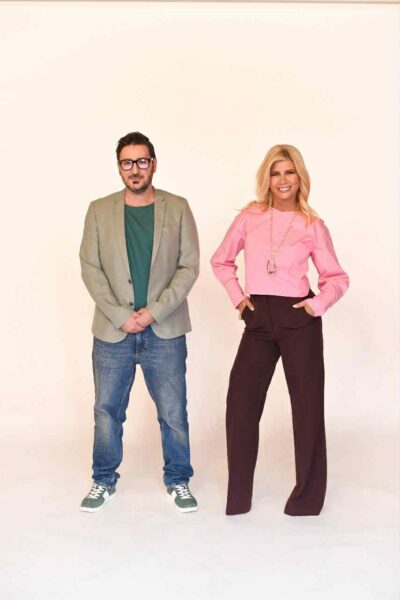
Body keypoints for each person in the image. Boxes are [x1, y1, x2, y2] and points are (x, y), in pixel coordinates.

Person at [211, 144, 349, 517]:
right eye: (275, 172)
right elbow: (221, 261)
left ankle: (307, 500)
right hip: (258, 319)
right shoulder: (250, 217)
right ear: (267, 178)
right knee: (240, 403)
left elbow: (337, 277)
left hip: (299, 320)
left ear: (299, 177)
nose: (283, 179)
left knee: (307, 408)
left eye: (289, 172)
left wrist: (316, 305)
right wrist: (240, 301)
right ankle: (239, 498)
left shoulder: (312, 225)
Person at [79, 131, 199, 513]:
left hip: (165, 330)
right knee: (106, 411)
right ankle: (103, 480)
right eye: (127, 162)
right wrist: (120, 315)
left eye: (142, 161)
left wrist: (153, 312)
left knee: (173, 412)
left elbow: (189, 266)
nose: (135, 169)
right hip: (112, 332)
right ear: (119, 167)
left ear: (154, 164)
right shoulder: (98, 210)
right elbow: (90, 267)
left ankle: (178, 479)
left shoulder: (177, 208)